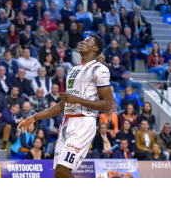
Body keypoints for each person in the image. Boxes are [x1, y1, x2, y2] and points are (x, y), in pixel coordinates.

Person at [18, 34, 112, 178]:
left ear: (95, 48)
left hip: (84, 122)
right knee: (58, 174)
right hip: (67, 122)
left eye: (88, 41)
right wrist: (34, 117)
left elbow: (107, 105)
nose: (82, 42)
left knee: (63, 170)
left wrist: (77, 100)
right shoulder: (73, 70)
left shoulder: (100, 69)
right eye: (83, 40)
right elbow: (63, 105)